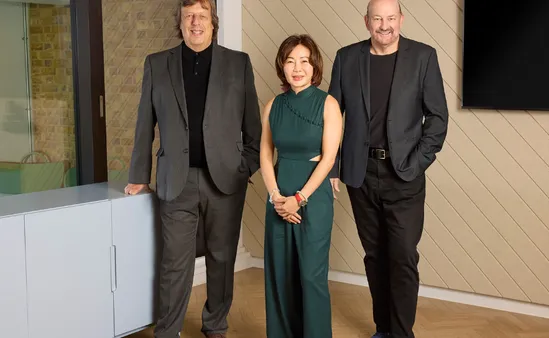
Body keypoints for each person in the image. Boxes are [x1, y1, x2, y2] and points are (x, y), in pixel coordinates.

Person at [124, 0, 261, 337]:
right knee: (174, 264)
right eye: (188, 17)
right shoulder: (157, 64)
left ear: (212, 23)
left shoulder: (238, 63)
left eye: (201, 16)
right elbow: (145, 124)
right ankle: (167, 331)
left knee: (222, 259)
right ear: (180, 23)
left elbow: (253, 128)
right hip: (176, 181)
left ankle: (215, 327)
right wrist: (139, 177)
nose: (195, 22)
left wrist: (245, 168)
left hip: (226, 181)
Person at [327, 0, 449, 337]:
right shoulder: (347, 58)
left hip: (405, 175)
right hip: (360, 173)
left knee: (403, 256)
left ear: (401, 19)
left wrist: (418, 161)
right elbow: (332, 117)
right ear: (366, 21)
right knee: (375, 256)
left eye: (391, 18)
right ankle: (383, 328)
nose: (385, 25)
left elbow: (438, 118)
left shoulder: (423, 57)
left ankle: (401, 332)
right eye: (378, 18)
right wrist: (334, 167)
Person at [259, 34, 343, 338]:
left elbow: (329, 158)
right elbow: (266, 153)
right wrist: (276, 197)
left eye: (304, 61)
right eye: (290, 60)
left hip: (313, 197)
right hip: (278, 196)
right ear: (282, 65)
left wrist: (299, 198)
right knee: (281, 275)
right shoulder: (273, 105)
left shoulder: (328, 104)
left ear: (314, 66)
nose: (297, 68)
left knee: (311, 276)